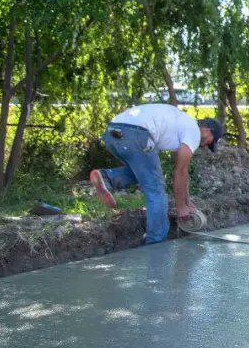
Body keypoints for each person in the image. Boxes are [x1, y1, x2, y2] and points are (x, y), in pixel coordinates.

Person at [90, 104, 223, 244]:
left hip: (112, 132)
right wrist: (181, 207)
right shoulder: (194, 132)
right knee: (156, 189)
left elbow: (182, 171)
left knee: (143, 174)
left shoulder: (183, 123)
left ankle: (106, 177)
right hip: (136, 133)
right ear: (207, 129)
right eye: (211, 141)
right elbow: (180, 171)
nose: (206, 145)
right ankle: (156, 243)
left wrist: (187, 202)